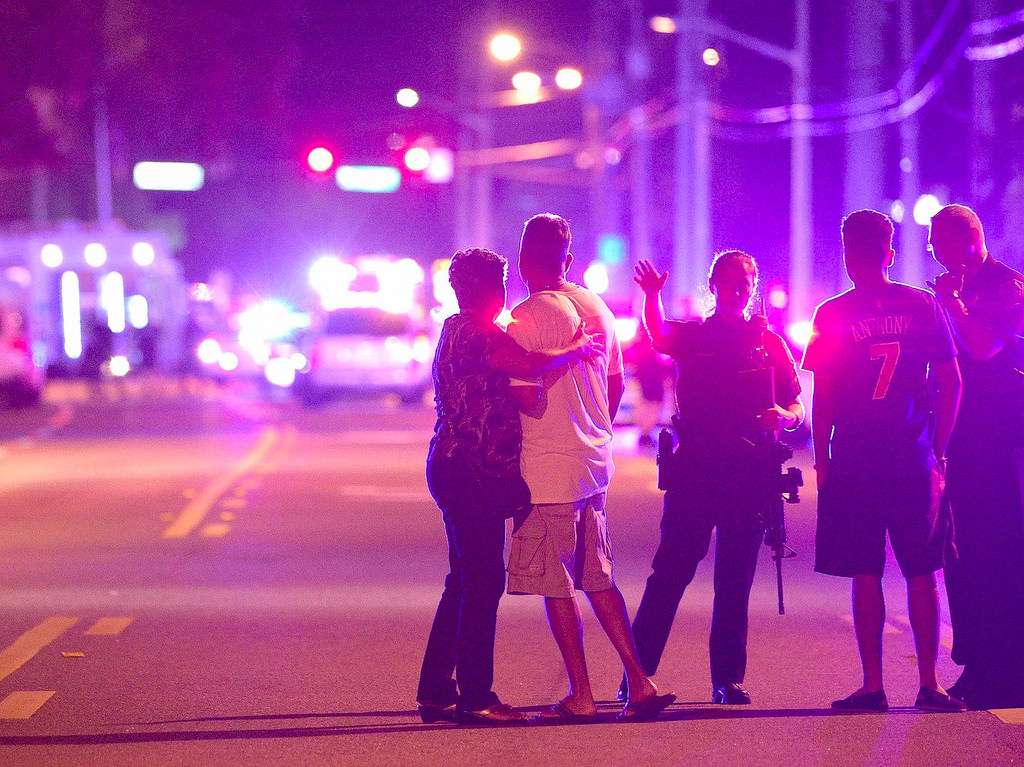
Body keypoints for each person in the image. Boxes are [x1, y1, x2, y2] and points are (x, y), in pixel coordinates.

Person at [417, 247, 600, 726]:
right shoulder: (481, 334)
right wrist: (577, 349)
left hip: (449, 465)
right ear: (489, 289)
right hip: (472, 472)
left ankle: (435, 690)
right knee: (482, 583)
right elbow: (528, 362)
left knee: (462, 580)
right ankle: (476, 697)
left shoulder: (452, 328)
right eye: (498, 284)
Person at [505, 213, 675, 723]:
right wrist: (593, 423)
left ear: (523, 261)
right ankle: (639, 682)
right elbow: (615, 383)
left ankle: (581, 695)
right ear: (569, 259)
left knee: (557, 584)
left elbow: (523, 397)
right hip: (594, 463)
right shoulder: (598, 308)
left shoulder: (526, 315)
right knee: (599, 577)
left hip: (547, 468)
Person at [803, 209, 965, 712]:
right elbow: (952, 381)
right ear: (890, 254)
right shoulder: (922, 304)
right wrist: (938, 449)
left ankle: (873, 685)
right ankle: (930, 684)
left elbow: (823, 394)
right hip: (912, 455)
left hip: (855, 458)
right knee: (922, 570)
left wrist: (822, 458)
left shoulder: (831, 314)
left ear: (847, 257)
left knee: (865, 571)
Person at [626, 250, 804, 706]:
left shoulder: (768, 342)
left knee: (734, 580)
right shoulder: (696, 336)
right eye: (728, 280)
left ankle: (727, 679)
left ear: (754, 286)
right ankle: (636, 675)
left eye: (745, 281)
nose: (737, 288)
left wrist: (783, 417)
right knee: (670, 571)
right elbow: (659, 334)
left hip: (749, 473)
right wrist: (652, 296)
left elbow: (795, 405)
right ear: (713, 285)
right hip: (697, 470)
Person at [927, 204, 1024, 709]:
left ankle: (1006, 668)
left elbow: (985, 349)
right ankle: (975, 661)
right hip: (960, 438)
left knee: (999, 553)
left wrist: (954, 305)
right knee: (959, 554)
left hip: (1000, 441)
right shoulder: (949, 290)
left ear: (969, 239)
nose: (934, 254)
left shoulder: (1006, 286)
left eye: (940, 243)